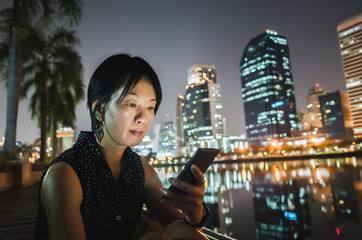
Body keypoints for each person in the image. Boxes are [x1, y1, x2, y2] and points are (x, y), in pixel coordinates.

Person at [34, 54, 210, 240]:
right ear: (99, 109)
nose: (143, 117)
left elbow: (181, 227)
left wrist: (194, 212)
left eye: (150, 107)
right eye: (132, 104)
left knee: (182, 231)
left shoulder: (139, 168)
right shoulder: (66, 173)